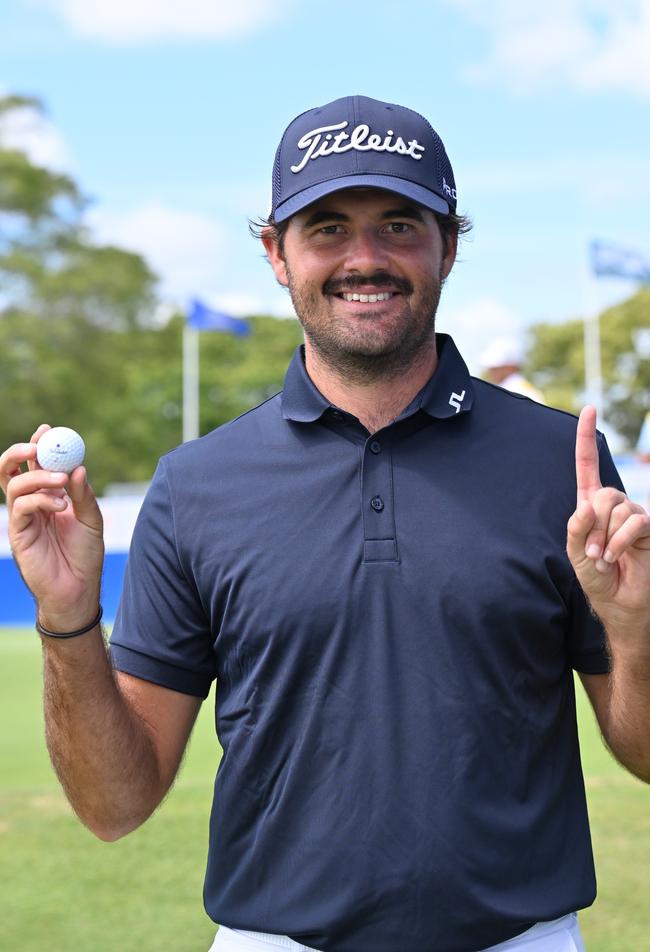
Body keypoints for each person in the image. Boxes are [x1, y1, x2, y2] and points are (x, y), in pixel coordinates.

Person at [2, 94, 650, 952]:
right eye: (327, 228)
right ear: (275, 252)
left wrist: (635, 627)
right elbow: (115, 807)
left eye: (399, 224)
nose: (365, 258)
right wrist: (67, 616)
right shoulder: (197, 483)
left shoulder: (557, 461)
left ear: (450, 245)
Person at [478, 336, 545, 402]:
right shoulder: (522, 389)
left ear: (511, 367)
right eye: (491, 368)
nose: (491, 372)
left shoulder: (522, 392)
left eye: (497, 368)